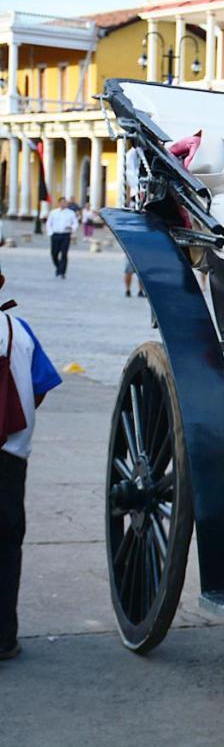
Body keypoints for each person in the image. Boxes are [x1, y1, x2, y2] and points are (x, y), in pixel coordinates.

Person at [0, 272, 62, 660]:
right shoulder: (18, 329)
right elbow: (40, 386)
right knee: (7, 544)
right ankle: (4, 637)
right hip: (10, 456)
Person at [45, 198, 77, 278]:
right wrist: (50, 233)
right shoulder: (53, 212)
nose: (63, 204)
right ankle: (58, 267)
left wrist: (72, 228)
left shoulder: (71, 213)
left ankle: (62, 272)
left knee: (64, 253)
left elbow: (75, 223)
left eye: (65, 203)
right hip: (55, 235)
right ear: (58, 203)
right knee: (54, 253)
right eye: (62, 203)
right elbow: (49, 223)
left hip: (65, 235)